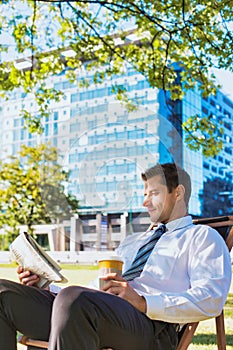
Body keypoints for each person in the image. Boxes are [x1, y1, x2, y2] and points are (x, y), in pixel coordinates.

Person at [0, 163, 231, 350]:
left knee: (75, 300)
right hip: (93, 311)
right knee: (3, 294)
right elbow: (97, 288)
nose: (145, 201)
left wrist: (142, 302)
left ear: (178, 192)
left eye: (153, 193)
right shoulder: (135, 242)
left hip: (150, 326)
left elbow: (210, 298)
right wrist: (46, 288)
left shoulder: (202, 237)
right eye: (144, 194)